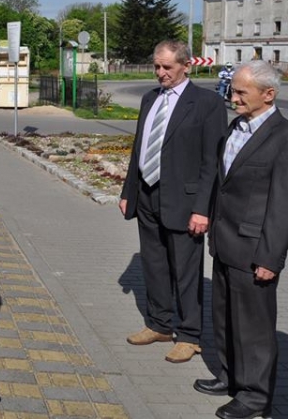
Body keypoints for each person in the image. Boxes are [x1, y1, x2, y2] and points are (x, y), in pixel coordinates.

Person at [193, 60, 288, 419]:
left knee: (254, 328)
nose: (233, 96)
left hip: (255, 249)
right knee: (225, 317)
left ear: (268, 94)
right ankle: (230, 377)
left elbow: (285, 205)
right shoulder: (236, 127)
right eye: (233, 89)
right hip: (225, 241)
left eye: (241, 91)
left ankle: (255, 396)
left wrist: (271, 258)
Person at [119, 40, 226, 363]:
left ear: (185, 66)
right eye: (157, 66)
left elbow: (213, 161)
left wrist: (202, 209)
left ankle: (190, 335)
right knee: (154, 265)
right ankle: (159, 324)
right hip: (148, 195)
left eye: (167, 67)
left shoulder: (207, 103)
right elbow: (139, 148)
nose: (160, 73)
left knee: (186, 271)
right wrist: (128, 191)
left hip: (185, 201)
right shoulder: (150, 98)